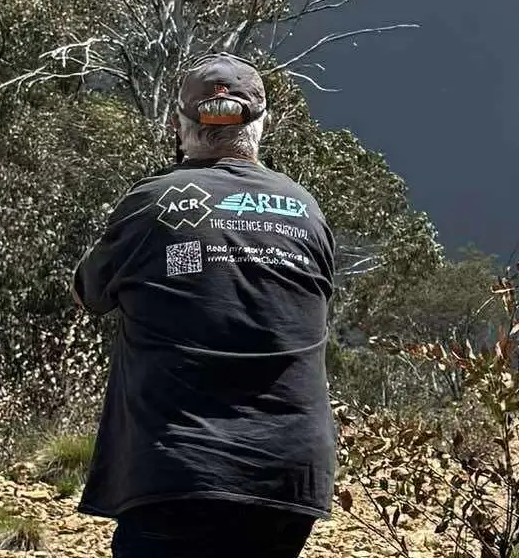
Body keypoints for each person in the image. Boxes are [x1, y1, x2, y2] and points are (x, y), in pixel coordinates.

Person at [75, 57, 338, 558]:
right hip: (289, 473)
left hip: (181, 466)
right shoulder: (306, 208)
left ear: (178, 125)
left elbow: (88, 292)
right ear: (263, 125)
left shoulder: (153, 201)